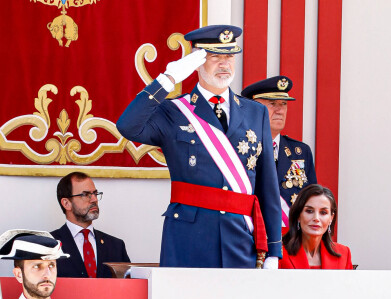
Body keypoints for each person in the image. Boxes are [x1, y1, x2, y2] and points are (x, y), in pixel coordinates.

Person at [116, 24, 282, 269]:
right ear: (196, 61)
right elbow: (127, 126)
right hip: (189, 237)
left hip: (240, 238)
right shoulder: (174, 111)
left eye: (230, 56)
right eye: (215, 56)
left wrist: (273, 250)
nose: (225, 64)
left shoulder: (255, 112)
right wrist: (167, 80)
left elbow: (268, 183)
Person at [240, 75, 317, 229]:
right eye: (272, 104)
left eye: (283, 104)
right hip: (253, 235)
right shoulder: (240, 148)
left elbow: (313, 201)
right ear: (254, 108)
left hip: (292, 238)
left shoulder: (301, 152)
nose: (280, 110)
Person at [52, 172, 131, 278]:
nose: (94, 199)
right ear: (66, 203)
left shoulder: (116, 246)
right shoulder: (49, 245)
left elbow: (128, 288)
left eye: (95, 193)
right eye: (85, 195)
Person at [280, 184, 352, 269]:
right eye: (309, 211)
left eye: (323, 212)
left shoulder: (344, 254)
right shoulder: (279, 253)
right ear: (298, 215)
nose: (316, 218)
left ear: (331, 218)